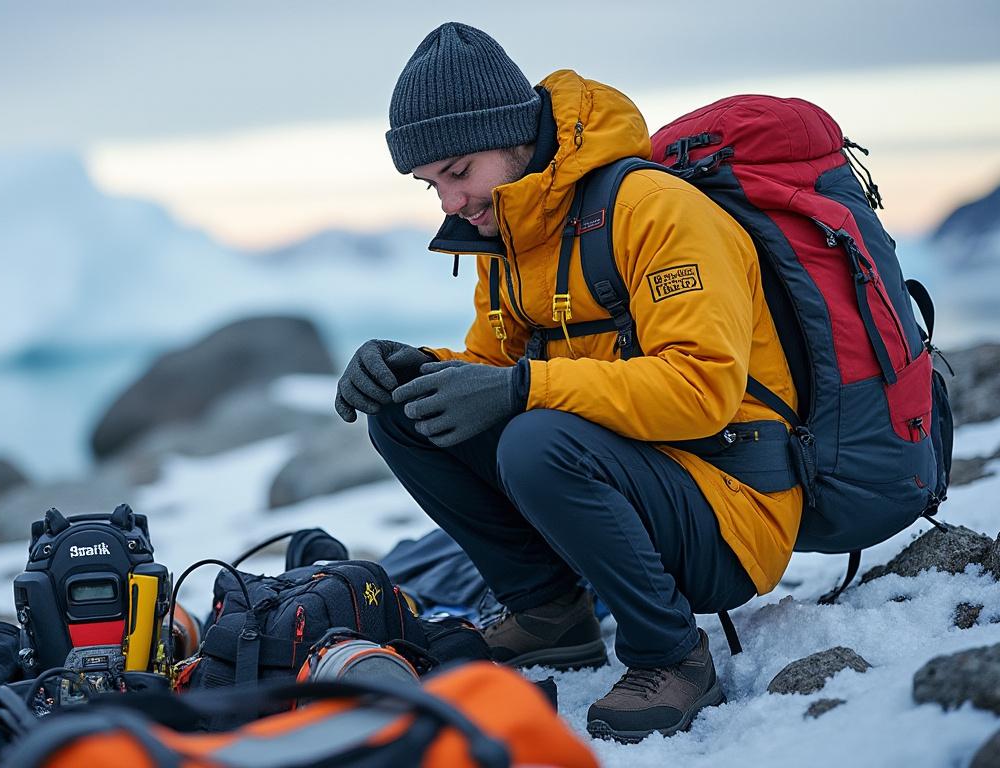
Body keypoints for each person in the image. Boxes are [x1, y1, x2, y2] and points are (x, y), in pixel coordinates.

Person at [335, 22, 803, 743]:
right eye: (432, 186)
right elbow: (493, 370)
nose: (450, 203)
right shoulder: (510, 232)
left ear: (513, 133)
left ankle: (672, 654)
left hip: (728, 501)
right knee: (409, 410)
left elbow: (701, 390)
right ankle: (550, 614)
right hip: (626, 479)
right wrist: (412, 366)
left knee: (536, 436)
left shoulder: (656, 209)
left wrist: (525, 389)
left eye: (458, 172)